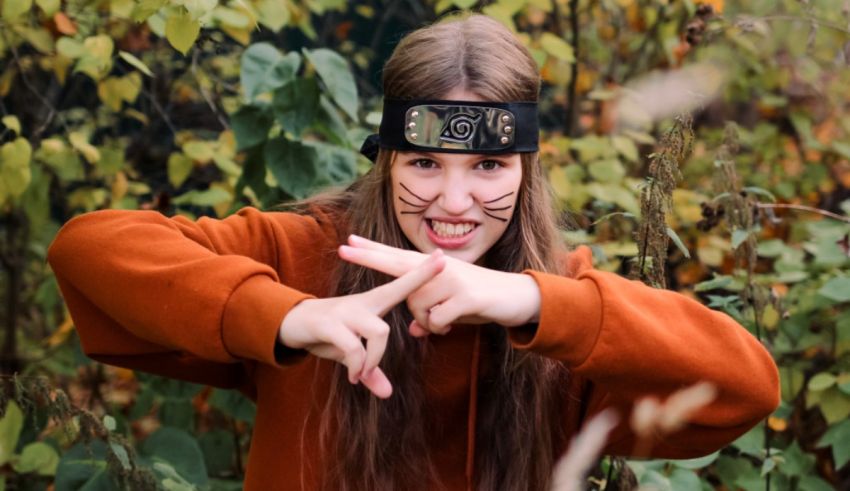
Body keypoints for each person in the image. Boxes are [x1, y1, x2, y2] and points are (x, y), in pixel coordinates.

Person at [47, 14, 779, 491]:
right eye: (424, 164)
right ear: (385, 162)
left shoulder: (560, 310)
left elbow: (746, 386)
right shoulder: (309, 252)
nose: (454, 203)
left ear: (525, 173)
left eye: (487, 167)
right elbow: (89, 248)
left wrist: (528, 301)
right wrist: (291, 316)